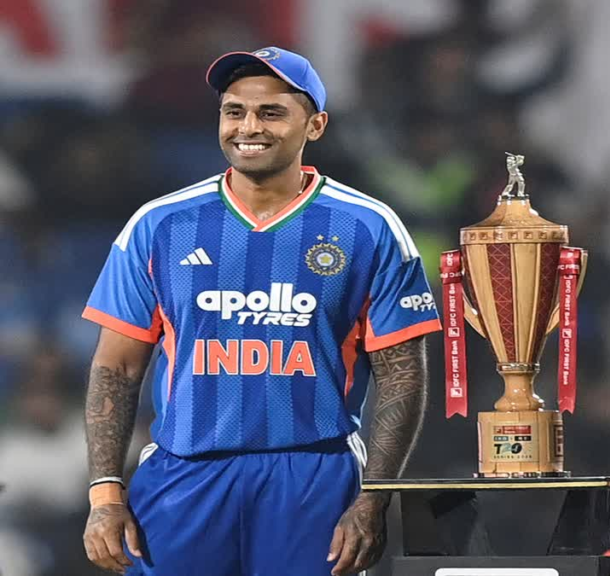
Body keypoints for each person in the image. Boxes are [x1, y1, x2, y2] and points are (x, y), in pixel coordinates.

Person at [80, 46, 441, 575]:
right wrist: (106, 495)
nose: (249, 127)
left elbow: (403, 376)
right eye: (234, 111)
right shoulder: (159, 225)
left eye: (271, 112)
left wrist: (374, 497)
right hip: (184, 475)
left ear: (315, 125)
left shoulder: (369, 226)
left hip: (315, 477)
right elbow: (116, 367)